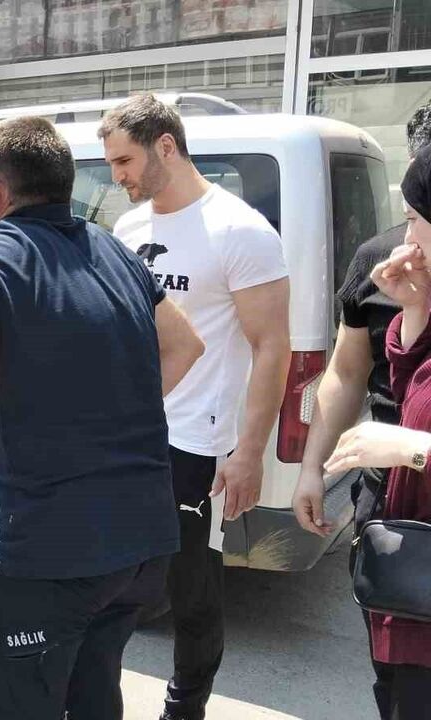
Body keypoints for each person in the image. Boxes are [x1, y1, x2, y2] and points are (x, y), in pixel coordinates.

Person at [0, 116, 205, 719]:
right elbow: (185, 344)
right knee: (93, 693)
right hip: (142, 541)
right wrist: (110, 411)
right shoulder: (115, 250)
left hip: (50, 550)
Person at [101, 94, 292, 720]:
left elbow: (272, 348)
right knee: (115, 582)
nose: (117, 177)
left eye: (125, 161)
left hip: (198, 442)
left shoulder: (240, 230)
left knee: (193, 588)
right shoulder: (129, 230)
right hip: (131, 434)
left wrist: (249, 453)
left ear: (166, 146)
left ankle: (185, 707)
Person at [292, 101, 431, 719]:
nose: (407, 238)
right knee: (397, 675)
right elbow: (350, 372)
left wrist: (412, 448)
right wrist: (312, 468)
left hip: (409, 467)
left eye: (416, 215)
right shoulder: (385, 266)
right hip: (394, 500)